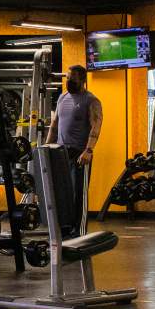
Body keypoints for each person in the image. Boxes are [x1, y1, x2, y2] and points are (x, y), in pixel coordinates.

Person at [46, 64, 102, 234]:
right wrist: (46, 147)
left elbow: (96, 126)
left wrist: (89, 150)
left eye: (73, 79)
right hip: (62, 152)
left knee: (79, 194)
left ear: (83, 80)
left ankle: (80, 231)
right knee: (63, 192)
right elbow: (54, 126)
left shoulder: (91, 100)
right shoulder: (62, 98)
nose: (69, 81)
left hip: (80, 154)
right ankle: (66, 227)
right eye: (68, 78)